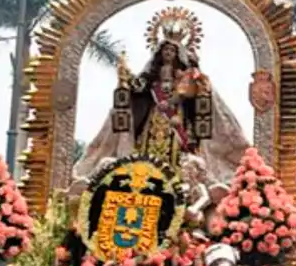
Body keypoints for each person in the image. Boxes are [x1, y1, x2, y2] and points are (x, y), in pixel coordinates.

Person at [75, 28, 249, 186]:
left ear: (177, 54)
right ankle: (146, 174)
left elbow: (185, 92)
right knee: (148, 141)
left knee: (176, 143)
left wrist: (172, 100)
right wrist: (126, 79)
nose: (168, 53)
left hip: (175, 115)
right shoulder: (152, 73)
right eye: (166, 50)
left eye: (172, 50)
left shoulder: (182, 73)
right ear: (160, 52)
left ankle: (175, 176)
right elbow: (140, 87)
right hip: (155, 112)